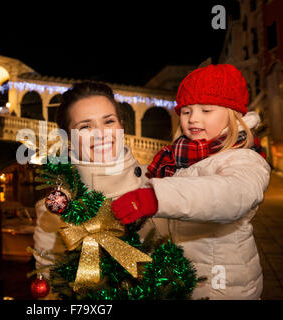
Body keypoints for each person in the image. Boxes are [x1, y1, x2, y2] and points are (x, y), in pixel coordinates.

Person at [111, 64, 271, 299]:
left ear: (233, 114)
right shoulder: (176, 157)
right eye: (186, 112)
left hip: (221, 285)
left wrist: (156, 198)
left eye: (206, 110)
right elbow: (145, 178)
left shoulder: (244, 159)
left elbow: (231, 194)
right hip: (181, 279)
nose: (193, 119)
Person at [32, 82, 169, 297]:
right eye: (85, 127)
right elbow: (51, 293)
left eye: (109, 121)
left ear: (121, 126)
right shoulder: (54, 209)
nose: (101, 134)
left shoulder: (160, 186)